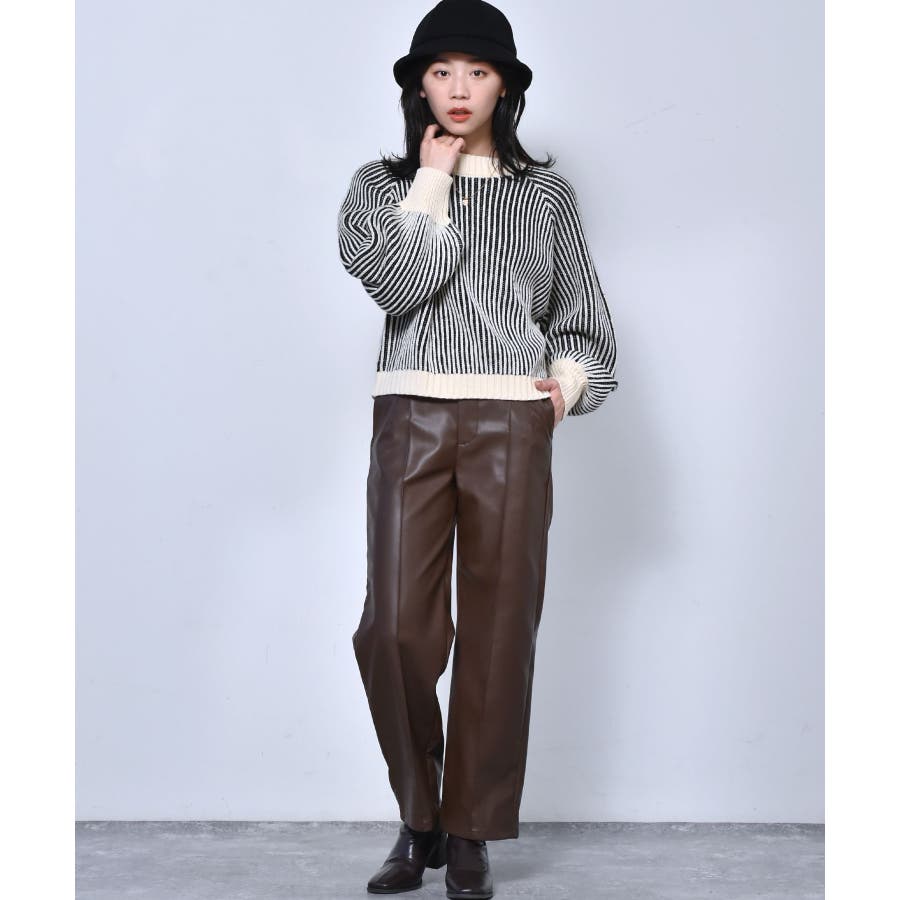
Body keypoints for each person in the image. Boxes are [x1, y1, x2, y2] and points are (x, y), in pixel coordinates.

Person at [337, 1, 618, 896]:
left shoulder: (545, 196)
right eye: (442, 71)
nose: (460, 87)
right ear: (418, 86)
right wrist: (431, 180)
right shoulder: (379, 187)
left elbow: (585, 320)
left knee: (499, 635)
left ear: (506, 87)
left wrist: (562, 391)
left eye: (479, 71)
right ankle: (419, 813)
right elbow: (400, 284)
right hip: (411, 413)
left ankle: (469, 833)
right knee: (395, 630)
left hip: (510, 421)